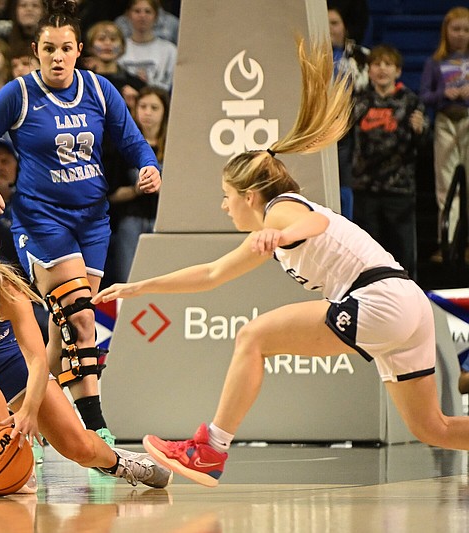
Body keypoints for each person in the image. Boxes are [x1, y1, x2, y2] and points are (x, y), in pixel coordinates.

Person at [93, 38, 469, 488]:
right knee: (433, 428)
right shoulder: (273, 221)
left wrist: (281, 233)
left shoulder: (283, 210)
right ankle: (210, 449)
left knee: (253, 336)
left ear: (250, 196)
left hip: (381, 300)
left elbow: (310, 225)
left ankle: (210, 449)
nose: (224, 207)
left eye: (228, 198)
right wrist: (137, 288)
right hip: (407, 308)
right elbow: (211, 275)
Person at [0, 0, 162, 446]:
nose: (57, 56)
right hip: (40, 219)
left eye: (65, 48)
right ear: (36, 49)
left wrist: (149, 167)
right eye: (48, 48)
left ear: (79, 50)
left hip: (93, 221)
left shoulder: (99, 88)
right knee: (82, 320)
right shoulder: (17, 94)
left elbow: (134, 142)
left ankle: (19, 417)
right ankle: (95, 431)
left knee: (59, 336)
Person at [0, 228, 173, 490]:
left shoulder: (8, 291)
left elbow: (37, 359)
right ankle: (14, 459)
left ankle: (121, 462)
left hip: (6, 359)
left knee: (77, 446)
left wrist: (29, 411)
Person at [351, 44, 427, 280]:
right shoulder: (358, 101)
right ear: (369, 70)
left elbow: (423, 147)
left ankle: (410, 301)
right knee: (366, 256)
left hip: (399, 189)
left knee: (403, 253)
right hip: (365, 189)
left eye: (388, 64)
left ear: (398, 71)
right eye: (376, 64)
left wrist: (421, 132)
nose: (382, 69)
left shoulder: (410, 101)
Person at [420, 7, 469, 262]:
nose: (460, 35)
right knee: (446, 185)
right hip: (445, 121)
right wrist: (443, 95)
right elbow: (425, 95)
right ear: (446, 32)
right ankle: (447, 244)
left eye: (465, 30)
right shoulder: (435, 62)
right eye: (456, 29)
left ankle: (467, 243)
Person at [107, 86, 168, 285]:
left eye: (154, 107)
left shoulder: (175, 146)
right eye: (143, 106)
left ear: (165, 111)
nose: (147, 112)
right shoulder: (123, 146)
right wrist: (136, 190)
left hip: (165, 224)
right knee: (128, 280)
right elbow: (111, 195)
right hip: (131, 222)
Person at [329, 6, 368, 221]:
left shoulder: (361, 57)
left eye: (334, 23)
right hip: (321, 128)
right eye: (324, 22)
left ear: (345, 27)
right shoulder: (310, 54)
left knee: (346, 184)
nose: (328, 28)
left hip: (351, 131)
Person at [116, 0, 176, 92]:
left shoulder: (170, 50)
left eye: (148, 11)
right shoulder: (118, 47)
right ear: (128, 15)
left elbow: (170, 85)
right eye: (137, 11)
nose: (142, 16)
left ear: (156, 16)